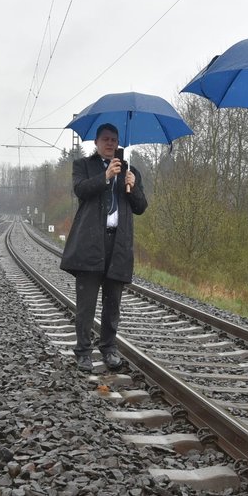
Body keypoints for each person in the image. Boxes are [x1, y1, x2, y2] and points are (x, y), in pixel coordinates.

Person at [60, 123, 148, 372]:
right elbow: (81, 190)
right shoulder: (83, 166)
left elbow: (140, 207)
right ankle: (83, 352)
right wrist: (106, 176)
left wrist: (133, 186)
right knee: (86, 304)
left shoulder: (130, 172)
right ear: (96, 143)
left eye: (114, 140)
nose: (110, 143)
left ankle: (109, 349)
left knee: (113, 305)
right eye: (106, 139)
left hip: (117, 245)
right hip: (90, 244)